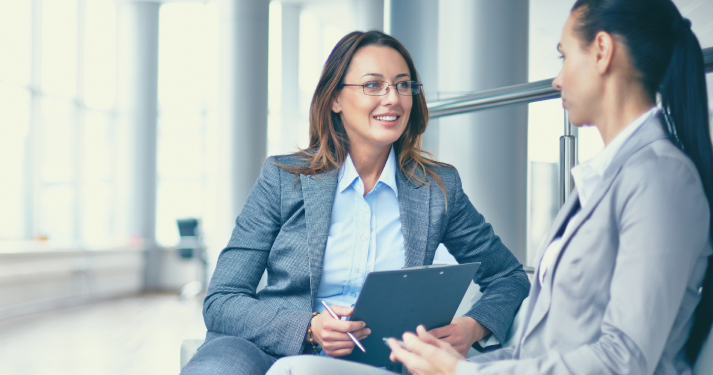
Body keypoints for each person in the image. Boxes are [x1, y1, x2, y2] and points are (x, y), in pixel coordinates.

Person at [308, 0, 713, 375]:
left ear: (601, 51)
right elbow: (539, 349)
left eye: (564, 56)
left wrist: (461, 369)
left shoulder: (660, 178)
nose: (557, 78)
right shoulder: (611, 177)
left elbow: (625, 359)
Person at [180, 30, 530, 375]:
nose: (393, 98)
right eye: (373, 85)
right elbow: (223, 300)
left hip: (384, 359)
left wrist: (472, 327)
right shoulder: (284, 178)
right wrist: (310, 326)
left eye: (403, 84)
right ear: (335, 99)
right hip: (268, 348)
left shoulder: (437, 188)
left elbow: (508, 276)